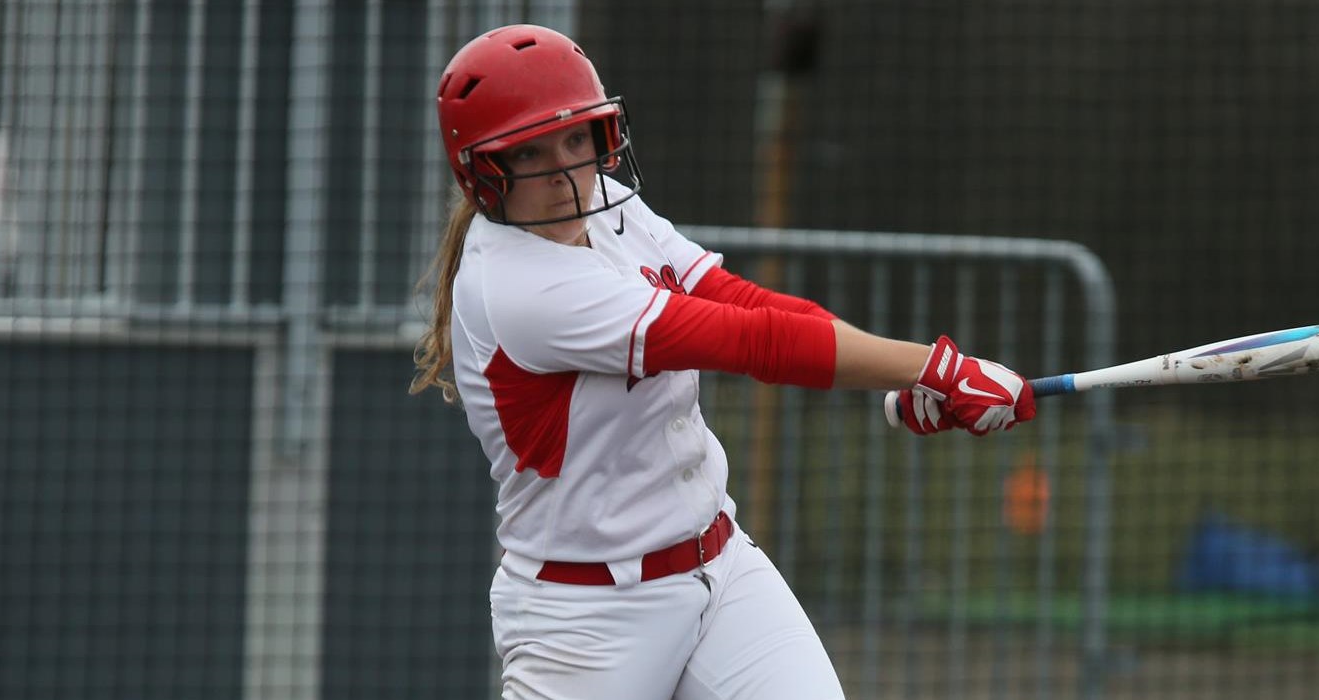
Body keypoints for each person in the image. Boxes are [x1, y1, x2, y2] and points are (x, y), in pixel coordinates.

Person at [409, 24, 1038, 700]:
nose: (565, 175)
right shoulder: (521, 287)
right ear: (482, 173)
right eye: (529, 152)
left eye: (576, 140)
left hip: (721, 569)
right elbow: (748, 341)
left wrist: (916, 374)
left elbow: (744, 301)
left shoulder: (608, 210)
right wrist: (934, 368)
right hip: (588, 621)